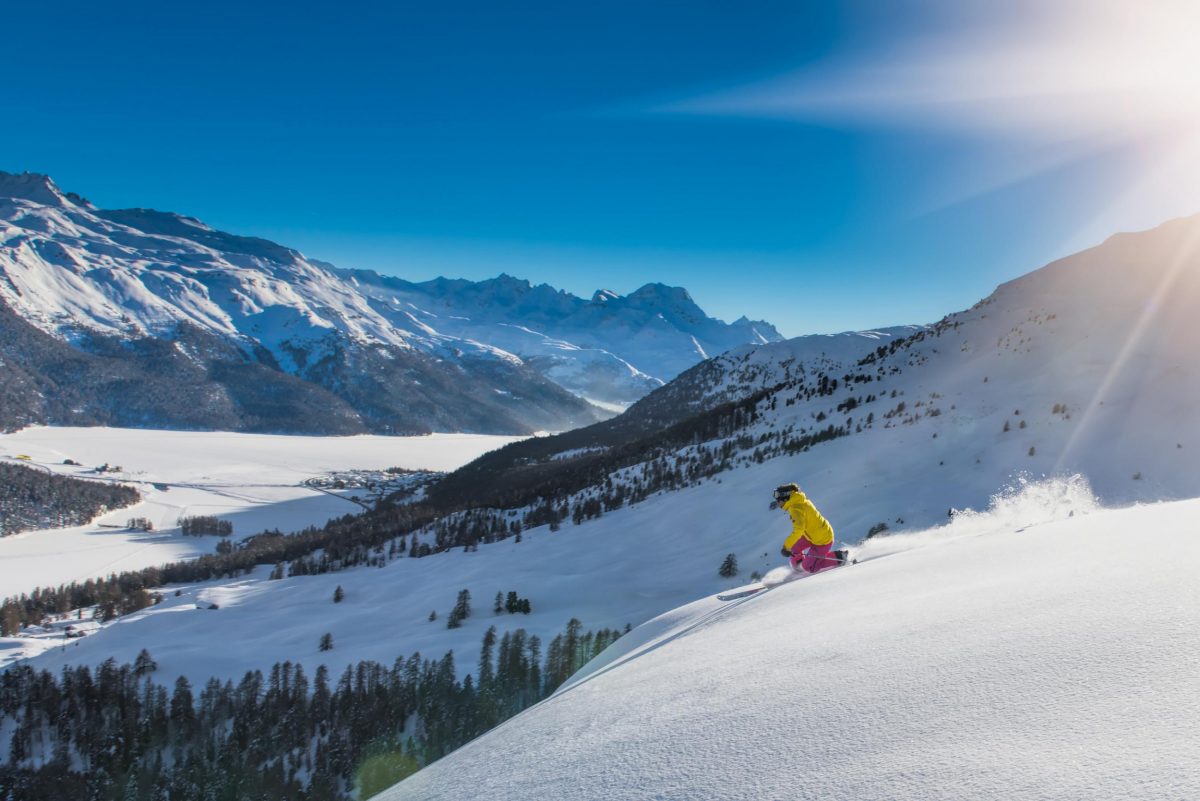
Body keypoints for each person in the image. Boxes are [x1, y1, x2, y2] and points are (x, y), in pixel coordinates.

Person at [774, 483, 844, 573]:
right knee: (794, 550)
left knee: (810, 568)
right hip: (812, 535)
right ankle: (801, 567)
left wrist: (786, 547)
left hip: (821, 541)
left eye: (778, 500)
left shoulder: (796, 509)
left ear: (785, 498)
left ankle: (839, 556)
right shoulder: (799, 501)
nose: (777, 503)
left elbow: (799, 530)